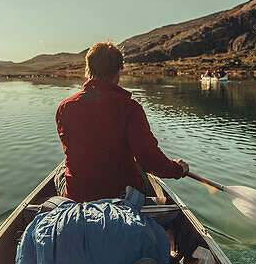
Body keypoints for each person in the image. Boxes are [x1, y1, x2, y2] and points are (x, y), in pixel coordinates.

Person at [55, 41, 189, 202]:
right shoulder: (130, 108)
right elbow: (150, 161)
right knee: (140, 168)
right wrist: (177, 169)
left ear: (88, 70)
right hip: (122, 197)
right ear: (118, 70)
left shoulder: (65, 107)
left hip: (78, 198)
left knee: (62, 169)